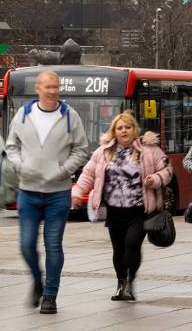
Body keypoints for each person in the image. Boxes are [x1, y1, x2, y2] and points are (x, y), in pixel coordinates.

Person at [5, 70, 89, 315]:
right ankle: (36, 279)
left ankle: (50, 295)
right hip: (28, 192)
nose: (53, 90)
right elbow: (11, 146)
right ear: (38, 88)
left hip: (57, 193)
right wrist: (20, 165)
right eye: (48, 86)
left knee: (53, 244)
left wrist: (63, 170)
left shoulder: (70, 116)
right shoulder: (23, 114)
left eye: (56, 86)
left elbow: (81, 150)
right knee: (25, 244)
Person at [73, 111, 171, 302]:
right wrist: (77, 193)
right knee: (118, 250)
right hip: (114, 210)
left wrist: (155, 179)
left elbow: (167, 170)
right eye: (120, 128)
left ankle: (129, 281)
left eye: (128, 127)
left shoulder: (149, 150)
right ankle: (121, 283)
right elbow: (88, 175)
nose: (124, 130)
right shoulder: (103, 152)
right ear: (114, 131)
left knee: (132, 244)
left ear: (135, 130)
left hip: (140, 210)